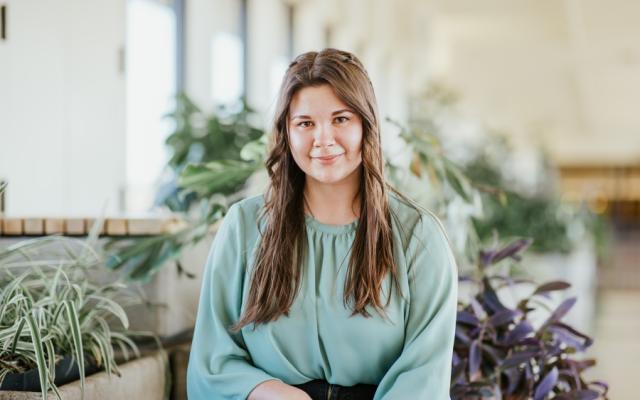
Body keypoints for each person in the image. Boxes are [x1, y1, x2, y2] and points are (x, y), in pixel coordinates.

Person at [187, 48, 458, 400]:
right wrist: (273, 393)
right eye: (305, 123)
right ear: (287, 132)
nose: (323, 139)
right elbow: (211, 363)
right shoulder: (243, 226)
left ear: (365, 124)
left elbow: (424, 378)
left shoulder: (418, 236)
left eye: (341, 119)